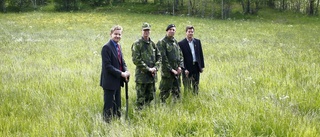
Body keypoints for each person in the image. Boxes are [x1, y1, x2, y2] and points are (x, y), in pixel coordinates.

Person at [100, 25, 130, 122]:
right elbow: (108, 66)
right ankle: (106, 124)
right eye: (115, 34)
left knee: (117, 104)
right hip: (109, 81)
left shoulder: (118, 46)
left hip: (118, 80)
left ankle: (117, 122)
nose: (117, 36)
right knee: (108, 105)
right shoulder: (106, 47)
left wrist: (126, 70)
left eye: (119, 34)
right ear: (111, 34)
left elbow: (122, 61)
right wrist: (121, 73)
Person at [131, 22, 161, 110]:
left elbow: (159, 57)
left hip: (151, 77)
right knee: (141, 99)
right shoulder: (137, 44)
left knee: (150, 97)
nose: (146, 32)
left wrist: (155, 68)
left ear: (150, 31)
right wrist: (148, 69)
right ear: (141, 31)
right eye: (144, 30)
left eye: (148, 30)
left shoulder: (153, 44)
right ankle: (139, 116)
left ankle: (146, 114)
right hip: (142, 77)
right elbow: (136, 60)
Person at [157, 24, 184, 103]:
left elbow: (180, 55)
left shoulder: (175, 41)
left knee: (176, 92)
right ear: (167, 31)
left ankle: (175, 107)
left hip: (177, 72)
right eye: (170, 29)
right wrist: (171, 70)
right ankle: (162, 107)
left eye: (174, 30)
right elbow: (163, 58)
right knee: (164, 93)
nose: (172, 31)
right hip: (167, 73)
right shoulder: (162, 42)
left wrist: (180, 67)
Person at [178, 25, 204, 95]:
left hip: (196, 66)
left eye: (192, 32)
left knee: (196, 85)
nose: (190, 33)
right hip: (187, 67)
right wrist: (184, 68)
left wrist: (201, 66)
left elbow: (200, 54)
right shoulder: (181, 43)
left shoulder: (197, 42)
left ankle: (195, 97)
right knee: (187, 85)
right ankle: (187, 98)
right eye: (189, 32)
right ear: (186, 32)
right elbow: (181, 57)